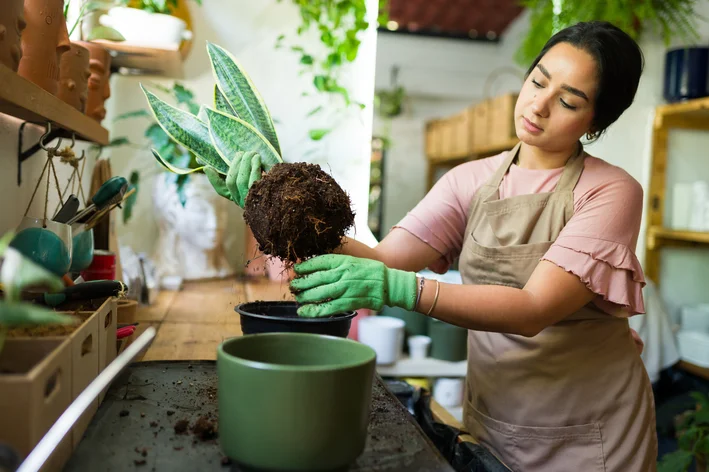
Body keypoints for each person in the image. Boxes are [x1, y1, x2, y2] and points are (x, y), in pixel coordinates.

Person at [219, 21, 656, 471]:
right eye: (537, 80)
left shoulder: (611, 192)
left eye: (567, 101)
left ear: (597, 121)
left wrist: (405, 289)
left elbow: (534, 308)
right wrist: (266, 205)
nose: (539, 105)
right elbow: (384, 259)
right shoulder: (470, 180)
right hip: (495, 420)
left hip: (590, 436)